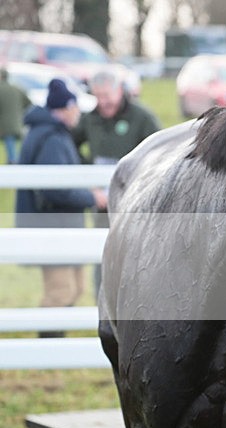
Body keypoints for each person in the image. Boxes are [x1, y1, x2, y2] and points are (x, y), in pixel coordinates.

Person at [15, 79, 107, 337]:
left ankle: (55, 343)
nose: (78, 113)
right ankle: (48, 347)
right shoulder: (52, 139)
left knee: (75, 288)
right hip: (53, 226)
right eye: (75, 107)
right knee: (60, 291)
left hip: (61, 224)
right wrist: (91, 198)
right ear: (66, 108)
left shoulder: (50, 134)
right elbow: (55, 188)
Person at [72, 68, 160, 294]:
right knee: (103, 251)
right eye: (97, 96)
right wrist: (87, 176)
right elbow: (69, 146)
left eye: (107, 96)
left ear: (120, 90)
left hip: (136, 202)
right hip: (102, 203)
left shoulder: (142, 118)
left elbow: (161, 154)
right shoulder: (90, 119)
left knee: (136, 253)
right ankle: (102, 304)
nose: (103, 102)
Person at [0, 67, 32, 164]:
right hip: (17, 122)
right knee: (13, 144)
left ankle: (13, 162)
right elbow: (29, 104)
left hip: (4, 124)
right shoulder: (17, 89)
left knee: (11, 148)